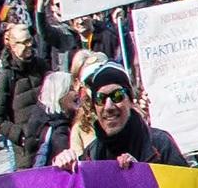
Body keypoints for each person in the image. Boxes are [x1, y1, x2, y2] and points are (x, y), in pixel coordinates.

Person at [62, 64, 190, 169]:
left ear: (130, 101)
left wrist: (142, 173)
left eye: (117, 96)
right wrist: (63, 169)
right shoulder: (91, 154)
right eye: (101, 98)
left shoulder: (160, 143)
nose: (109, 107)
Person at [0, 20, 49, 170]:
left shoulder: (41, 65)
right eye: (23, 42)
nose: (29, 45)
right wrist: (21, 136)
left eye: (29, 40)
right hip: (26, 153)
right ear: (13, 46)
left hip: (48, 139)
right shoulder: (7, 75)